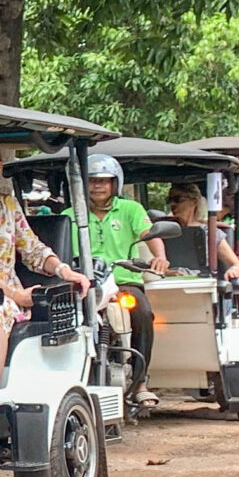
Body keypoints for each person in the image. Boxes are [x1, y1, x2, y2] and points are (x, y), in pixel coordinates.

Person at [0, 135, 90, 392]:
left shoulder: (8, 205)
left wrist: (64, 270)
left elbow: (31, 247)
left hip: (4, 301)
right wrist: (16, 295)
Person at [82, 153, 169, 411]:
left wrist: (161, 257)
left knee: (142, 312)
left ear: (115, 183)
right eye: (92, 180)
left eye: (104, 180)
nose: (97, 185)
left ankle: (141, 383)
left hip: (123, 282)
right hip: (86, 285)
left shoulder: (131, 209)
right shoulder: (70, 213)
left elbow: (150, 235)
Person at [168, 184, 239, 332]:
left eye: (177, 199)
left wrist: (233, 270)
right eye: (169, 200)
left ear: (193, 201)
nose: (172, 204)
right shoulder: (162, 232)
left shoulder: (210, 232)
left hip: (204, 290)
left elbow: (236, 264)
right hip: (168, 290)